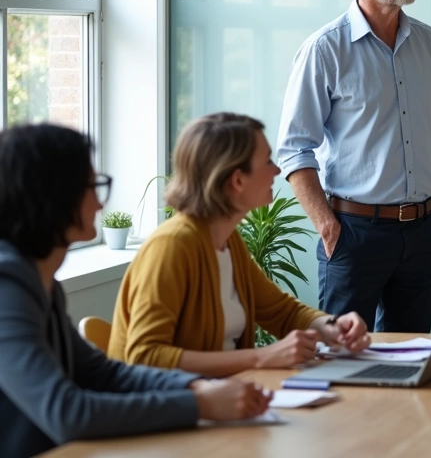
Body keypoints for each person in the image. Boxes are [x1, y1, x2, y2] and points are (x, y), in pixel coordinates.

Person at [0, 124, 268, 458]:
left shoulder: (39, 279)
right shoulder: (7, 286)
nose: (100, 204)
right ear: (53, 196)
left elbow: (101, 373)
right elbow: (66, 412)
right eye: (92, 187)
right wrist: (198, 403)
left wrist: (192, 387)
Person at [278, 0, 431, 333]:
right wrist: (329, 230)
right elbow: (294, 149)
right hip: (354, 235)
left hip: (422, 234)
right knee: (343, 364)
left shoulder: (430, 44)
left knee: (409, 359)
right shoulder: (324, 50)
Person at [109, 113, 371, 377]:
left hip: (218, 399)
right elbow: (144, 356)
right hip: (169, 412)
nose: (277, 170)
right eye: (267, 160)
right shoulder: (172, 245)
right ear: (237, 180)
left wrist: (331, 326)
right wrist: (260, 357)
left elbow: (280, 311)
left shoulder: (227, 240)